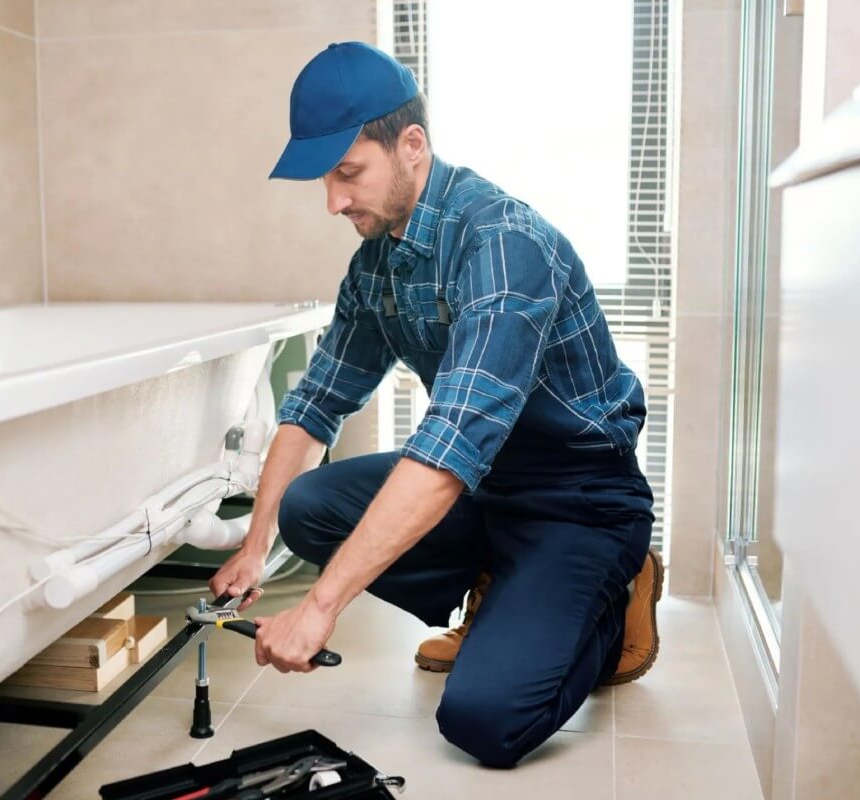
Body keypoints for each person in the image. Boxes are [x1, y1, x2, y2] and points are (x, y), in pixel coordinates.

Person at [210, 41, 662, 768]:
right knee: (307, 508)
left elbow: (450, 443)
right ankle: (500, 587)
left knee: (485, 722)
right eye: (326, 178)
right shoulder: (378, 262)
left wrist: (319, 606)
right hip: (487, 489)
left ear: (411, 144)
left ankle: (618, 592)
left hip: (576, 499)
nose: (333, 201)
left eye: (348, 172)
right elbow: (315, 404)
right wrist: (258, 544)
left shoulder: (503, 243)